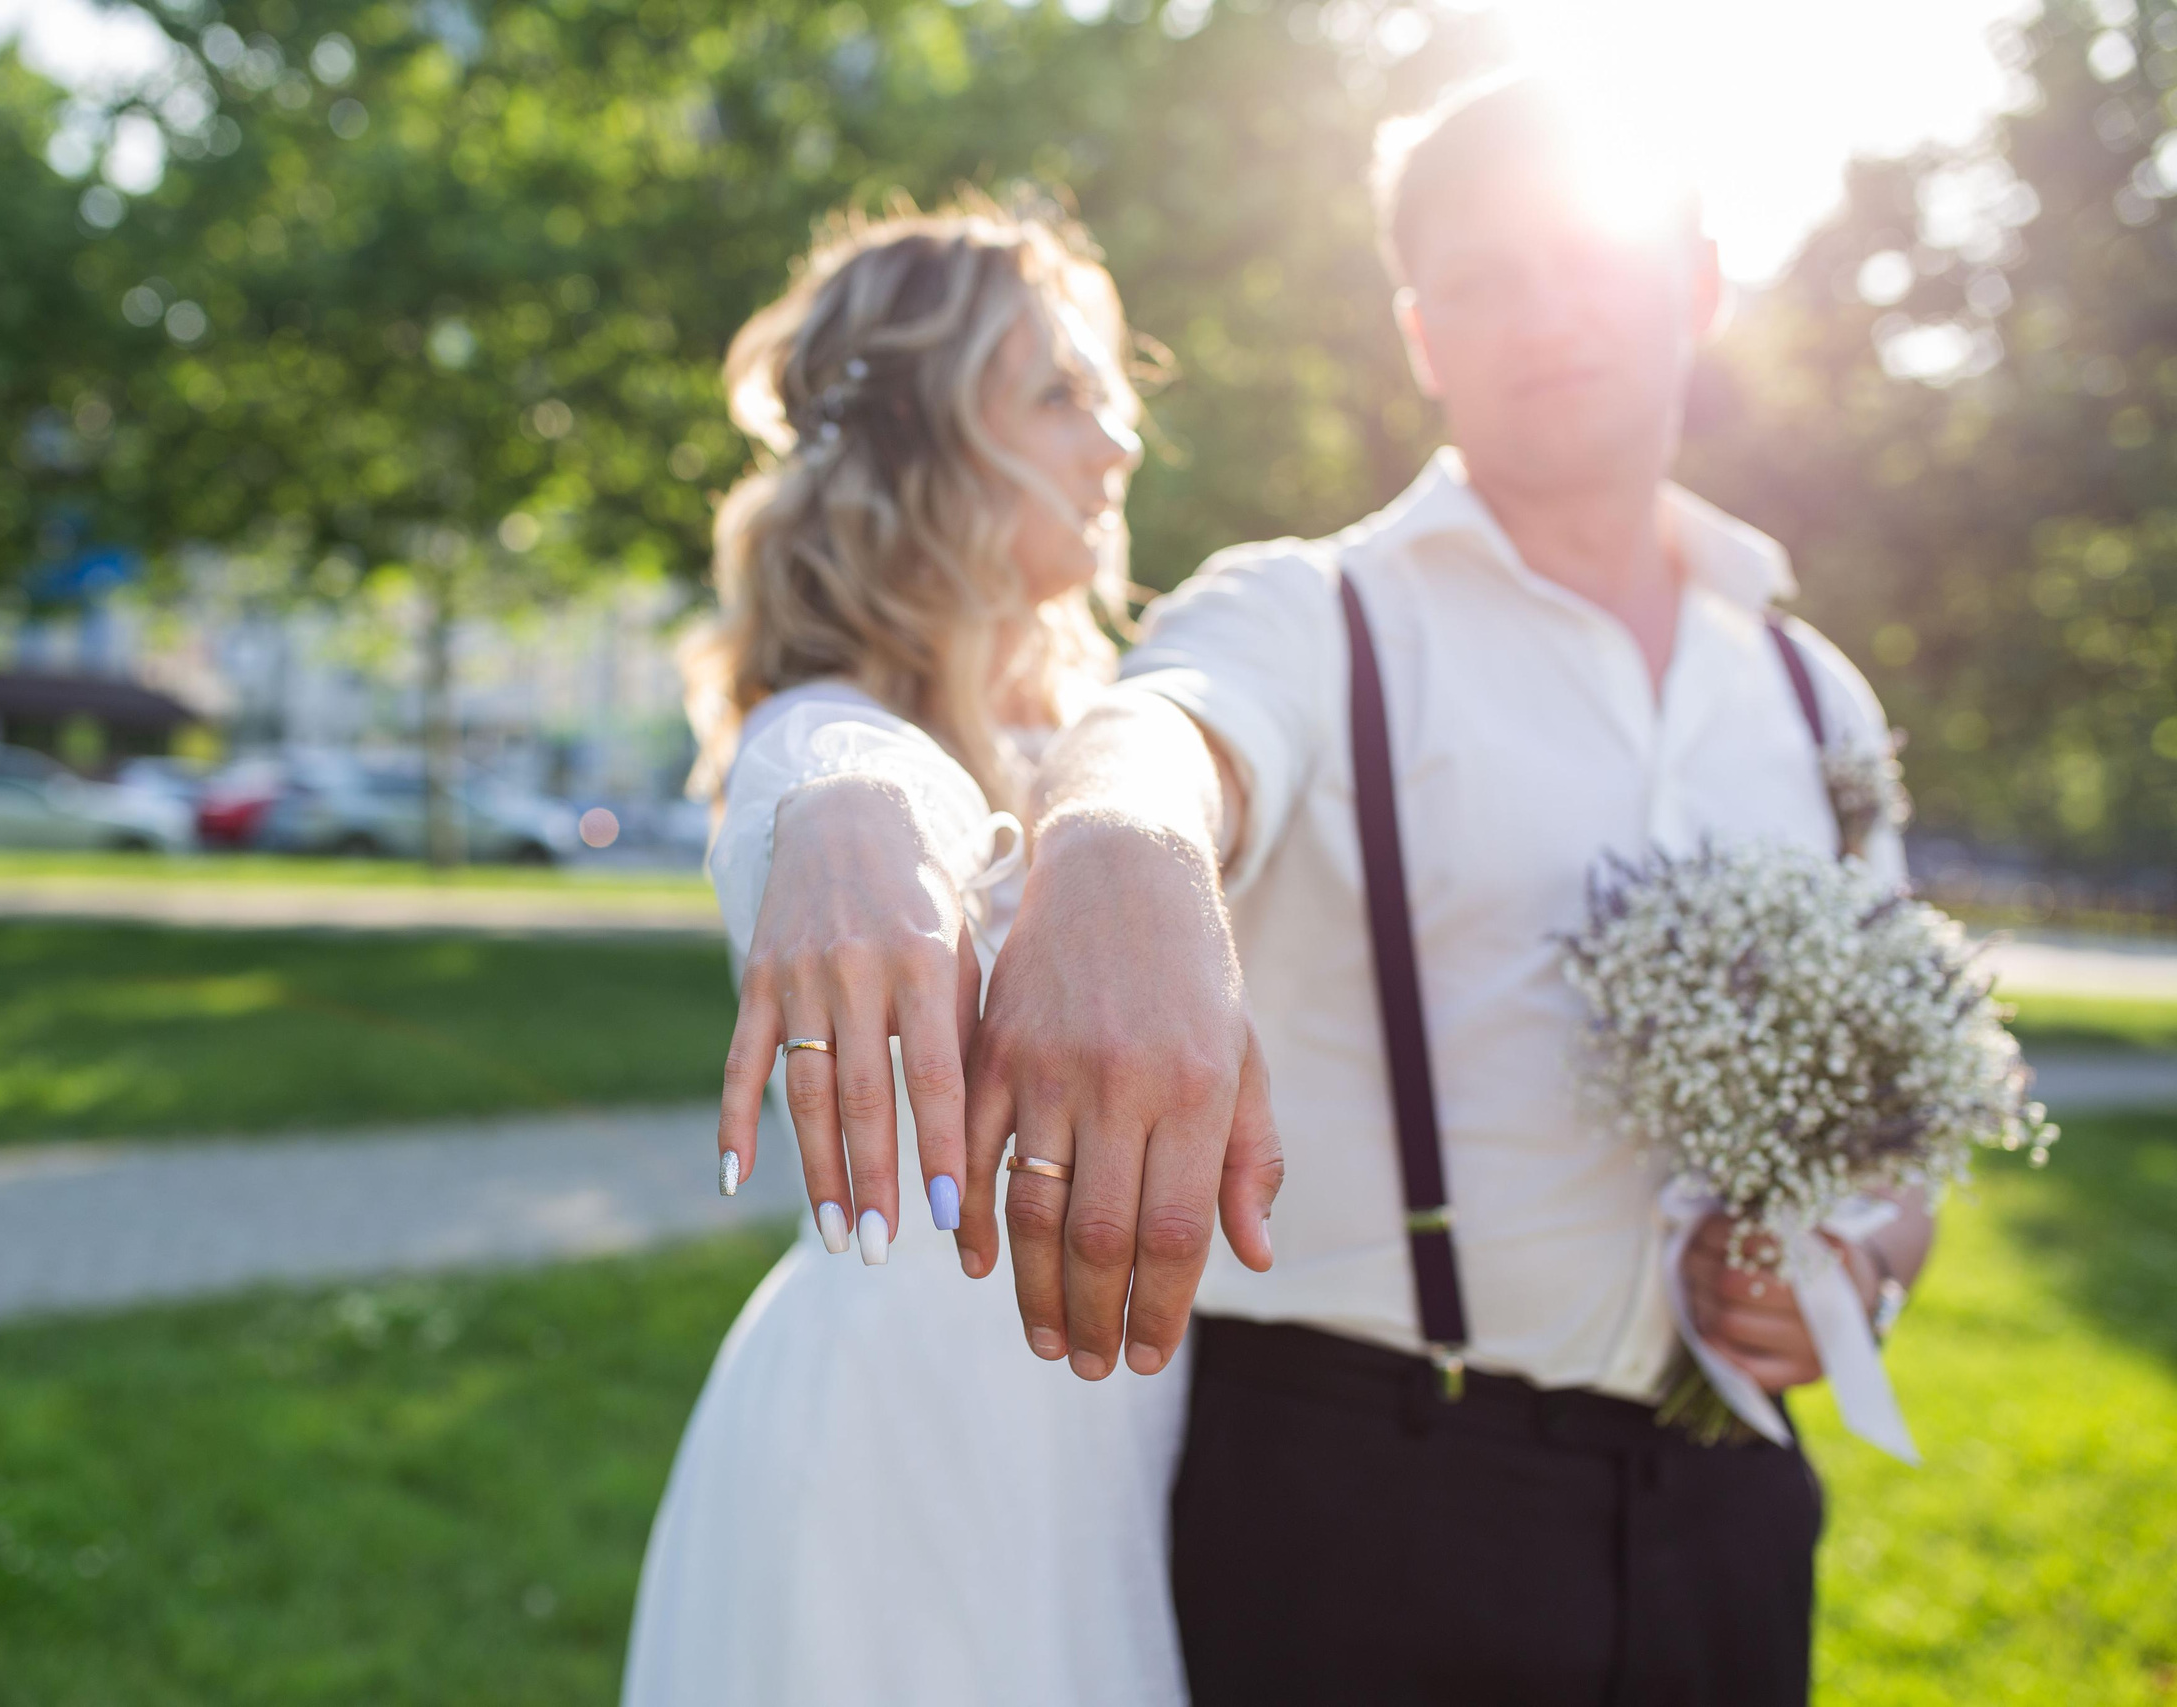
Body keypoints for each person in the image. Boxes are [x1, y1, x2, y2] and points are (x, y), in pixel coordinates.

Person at [771, 77, 1937, 1704]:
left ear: (1697, 288)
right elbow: (1163, 727)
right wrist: (1121, 849)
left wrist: (1868, 1259)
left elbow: (1903, 1120)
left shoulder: (1817, 699)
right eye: (1481, 279)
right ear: (1418, 333)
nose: (1542, 316)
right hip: (1362, 1505)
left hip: (1732, 1508)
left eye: (1587, 259)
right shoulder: (1317, 611)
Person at [621, 199, 1276, 1707]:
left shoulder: (1128, 739)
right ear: (925, 444)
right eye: (1058, 394)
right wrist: (853, 802)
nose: (1116, 444)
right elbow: (835, 763)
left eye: (1107, 393)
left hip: (1132, 1436)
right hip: (905, 1457)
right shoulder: (820, 741)